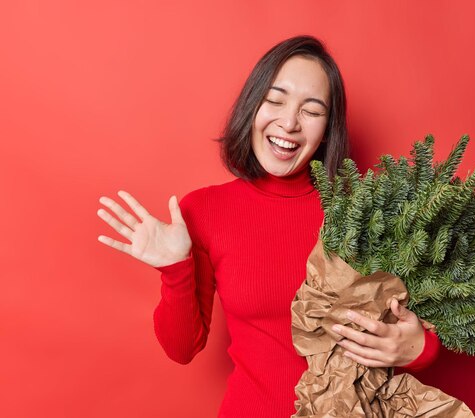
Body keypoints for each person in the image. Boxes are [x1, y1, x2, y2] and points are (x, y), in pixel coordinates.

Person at [96, 35, 440, 417]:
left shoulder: (367, 209)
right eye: (275, 101)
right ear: (252, 107)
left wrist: (418, 349)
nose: (289, 122)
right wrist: (175, 268)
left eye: (311, 111)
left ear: (328, 128)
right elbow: (181, 349)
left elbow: (425, 323)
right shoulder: (205, 211)